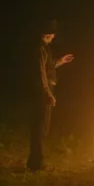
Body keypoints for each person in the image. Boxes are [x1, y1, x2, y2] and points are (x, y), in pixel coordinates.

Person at [27, 19, 74, 172]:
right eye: (52, 34)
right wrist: (48, 93)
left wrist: (61, 61)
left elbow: (49, 65)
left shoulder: (44, 48)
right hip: (42, 92)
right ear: (47, 34)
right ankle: (37, 163)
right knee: (41, 128)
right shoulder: (40, 49)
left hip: (44, 91)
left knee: (42, 127)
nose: (54, 37)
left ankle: (34, 162)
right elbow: (41, 73)